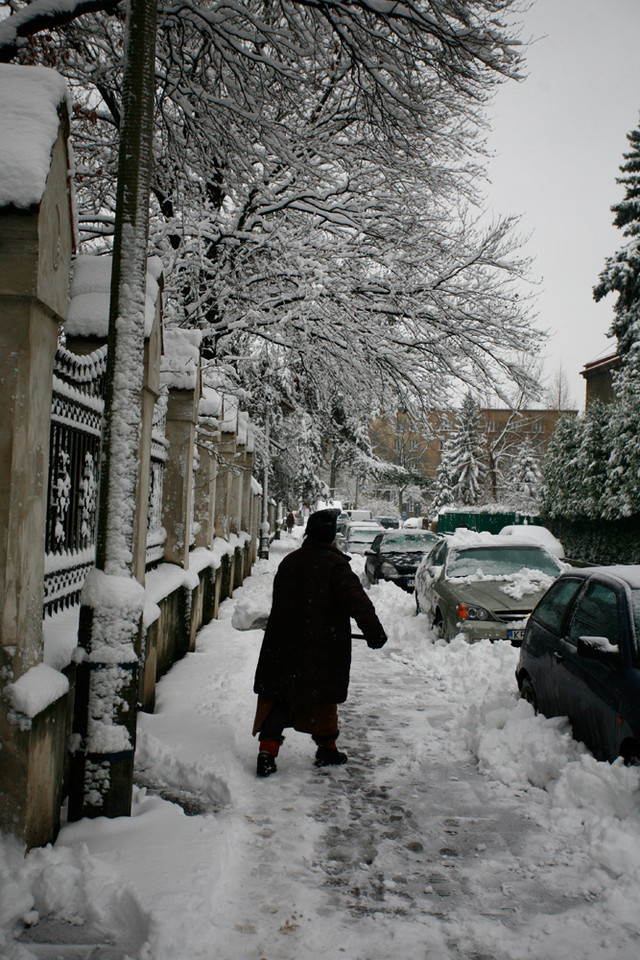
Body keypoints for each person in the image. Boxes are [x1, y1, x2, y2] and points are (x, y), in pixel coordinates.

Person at [252, 508, 387, 777]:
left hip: (283, 643)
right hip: (323, 646)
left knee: (279, 695)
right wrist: (374, 633)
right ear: (331, 536)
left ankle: (267, 751)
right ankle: (327, 749)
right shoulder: (336, 566)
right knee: (323, 697)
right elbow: (358, 603)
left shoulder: (290, 562)